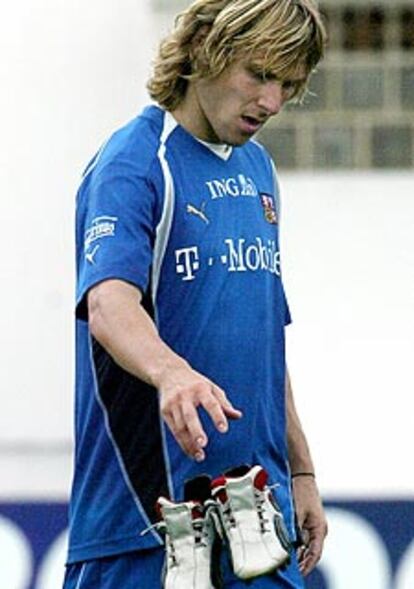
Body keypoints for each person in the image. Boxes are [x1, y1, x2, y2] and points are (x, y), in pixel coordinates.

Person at [63, 1, 328, 588]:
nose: (272, 102)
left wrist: (302, 473)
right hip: (147, 529)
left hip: (259, 526)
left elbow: (264, 337)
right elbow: (109, 306)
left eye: (288, 83)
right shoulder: (134, 163)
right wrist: (172, 373)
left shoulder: (258, 168)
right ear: (205, 49)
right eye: (259, 74)